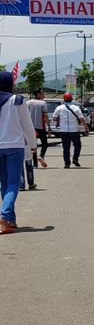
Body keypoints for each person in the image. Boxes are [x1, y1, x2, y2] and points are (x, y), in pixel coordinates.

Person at [0, 71, 37, 234]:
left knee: (4, 183)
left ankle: (10, 220)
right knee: (14, 183)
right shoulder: (17, 100)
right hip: (14, 146)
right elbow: (27, 125)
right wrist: (33, 144)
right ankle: (4, 215)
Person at [52, 93, 88, 168]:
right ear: (72, 99)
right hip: (74, 130)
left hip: (63, 130)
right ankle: (75, 158)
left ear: (63, 99)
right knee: (77, 145)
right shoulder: (76, 108)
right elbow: (81, 119)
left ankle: (67, 163)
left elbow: (54, 118)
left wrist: (60, 118)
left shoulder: (59, 108)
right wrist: (86, 127)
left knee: (66, 147)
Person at [26, 90, 48, 168]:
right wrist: (49, 127)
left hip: (31, 127)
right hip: (41, 127)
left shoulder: (28, 103)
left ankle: (35, 164)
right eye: (42, 94)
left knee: (33, 145)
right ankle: (41, 156)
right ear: (38, 94)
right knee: (45, 144)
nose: (43, 95)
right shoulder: (43, 103)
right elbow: (45, 116)